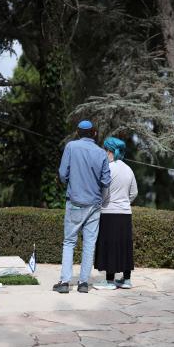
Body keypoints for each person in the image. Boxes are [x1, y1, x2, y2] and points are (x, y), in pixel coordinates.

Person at [53, 120, 111, 294]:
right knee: (89, 243)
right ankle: (83, 283)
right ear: (94, 133)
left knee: (69, 242)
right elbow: (106, 181)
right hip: (94, 204)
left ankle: (64, 282)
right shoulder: (101, 153)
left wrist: (71, 181)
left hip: (75, 202)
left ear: (78, 133)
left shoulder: (71, 147)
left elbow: (63, 174)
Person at [93, 137, 138, 290]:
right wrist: (125, 202)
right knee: (124, 245)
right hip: (125, 213)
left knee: (109, 245)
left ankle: (110, 281)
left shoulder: (108, 168)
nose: (104, 153)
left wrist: (103, 202)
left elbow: (104, 193)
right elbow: (134, 193)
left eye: (105, 150)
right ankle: (126, 280)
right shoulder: (129, 169)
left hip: (109, 212)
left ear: (110, 151)